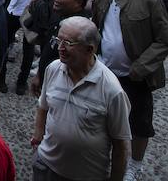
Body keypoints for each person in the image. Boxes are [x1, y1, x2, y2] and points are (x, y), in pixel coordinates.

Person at [93, 0, 168, 181]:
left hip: (135, 77)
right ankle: (108, 158)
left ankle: (135, 166)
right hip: (106, 72)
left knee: (139, 124)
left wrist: (141, 66)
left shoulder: (149, 0)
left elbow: (166, 40)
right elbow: (98, 24)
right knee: (104, 119)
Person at [32, 17, 131, 181]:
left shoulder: (112, 90)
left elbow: (121, 145)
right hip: (46, 167)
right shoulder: (53, 69)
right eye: (59, 40)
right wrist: (37, 139)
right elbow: (43, 107)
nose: (60, 48)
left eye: (68, 43)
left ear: (89, 49)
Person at [24, 0, 91, 96]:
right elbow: (48, 48)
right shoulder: (57, 15)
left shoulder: (82, 30)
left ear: (79, 2)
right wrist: (40, 75)